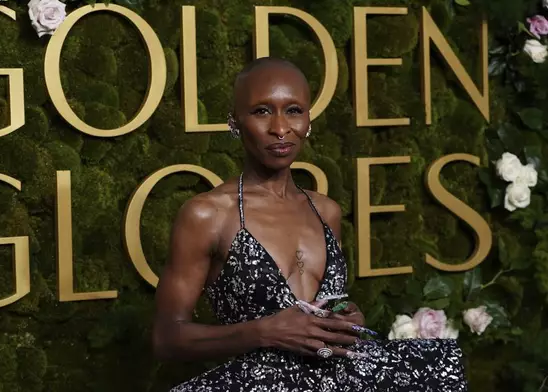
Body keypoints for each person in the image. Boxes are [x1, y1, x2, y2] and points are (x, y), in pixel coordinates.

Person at [152, 57, 468, 391]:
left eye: (293, 110)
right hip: (262, 383)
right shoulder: (208, 214)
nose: (280, 128)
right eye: (261, 111)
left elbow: (327, 302)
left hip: (342, 376)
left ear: (308, 120)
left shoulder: (325, 211)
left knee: (436, 365)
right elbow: (166, 337)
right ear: (235, 122)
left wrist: (344, 317)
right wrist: (264, 331)